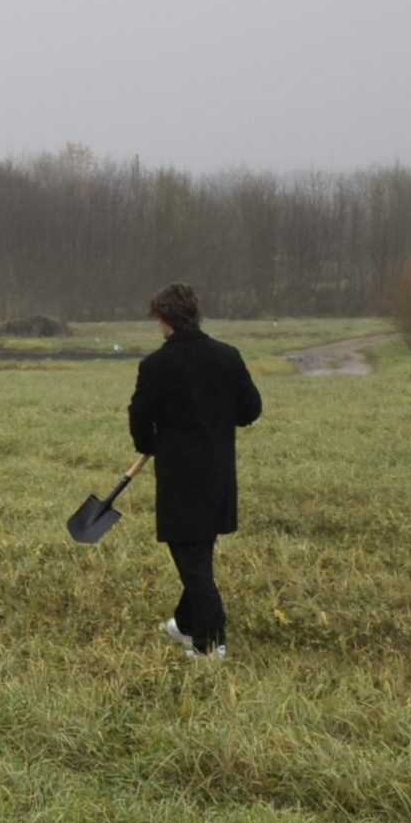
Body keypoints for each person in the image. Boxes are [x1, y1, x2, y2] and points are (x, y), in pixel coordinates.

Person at [127, 282, 263, 660]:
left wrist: (149, 442)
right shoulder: (227, 356)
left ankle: (210, 642)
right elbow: (250, 409)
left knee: (192, 558)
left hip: (180, 478)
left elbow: (139, 415)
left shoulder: (156, 365)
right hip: (219, 473)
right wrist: (216, 418)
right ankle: (185, 624)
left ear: (164, 318)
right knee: (198, 552)